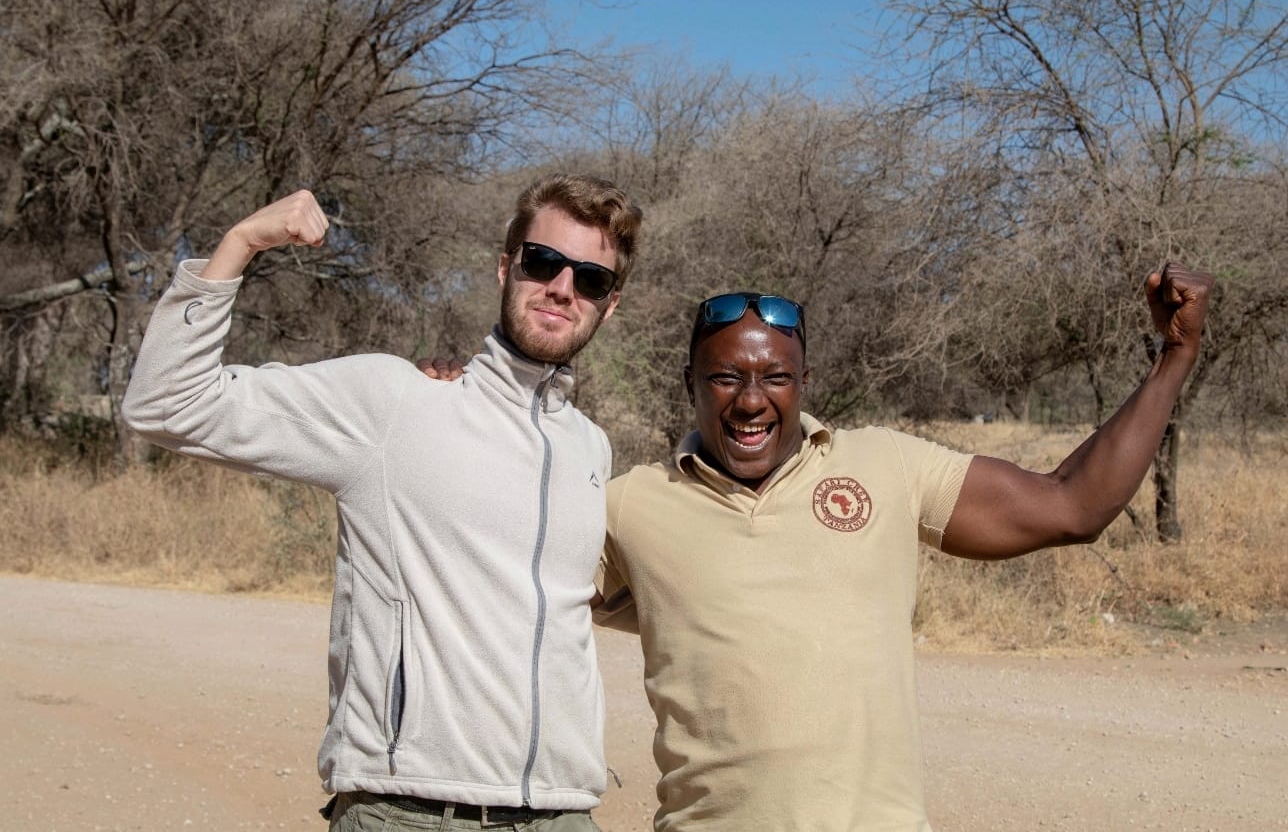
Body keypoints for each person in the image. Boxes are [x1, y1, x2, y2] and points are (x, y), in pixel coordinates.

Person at [587, 267, 1212, 830]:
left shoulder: (886, 465)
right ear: (689, 383)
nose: (751, 400)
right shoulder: (632, 506)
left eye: (775, 377)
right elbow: (512, 597)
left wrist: (1174, 357)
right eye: (726, 377)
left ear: (805, 382)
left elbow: (1073, 506)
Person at [121, 174, 643, 831]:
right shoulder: (395, 403)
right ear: (506, 267)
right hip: (410, 810)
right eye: (544, 263)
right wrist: (242, 242)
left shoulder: (589, 449)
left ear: (609, 303)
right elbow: (167, 404)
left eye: (590, 279)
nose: (563, 288)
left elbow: (566, 606)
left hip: (563, 814)